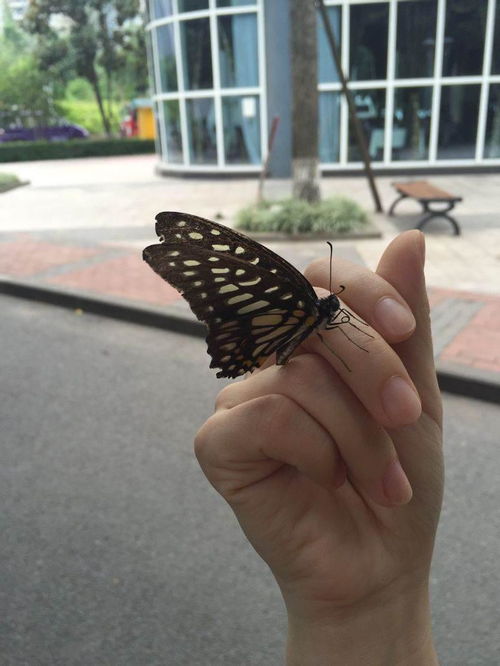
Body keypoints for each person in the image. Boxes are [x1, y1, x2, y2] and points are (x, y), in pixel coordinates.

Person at [194, 230, 443, 666]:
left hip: (271, 335)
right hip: (256, 338)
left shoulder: (320, 312)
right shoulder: (307, 309)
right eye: (333, 303)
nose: (335, 306)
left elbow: (337, 323)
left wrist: (381, 611)